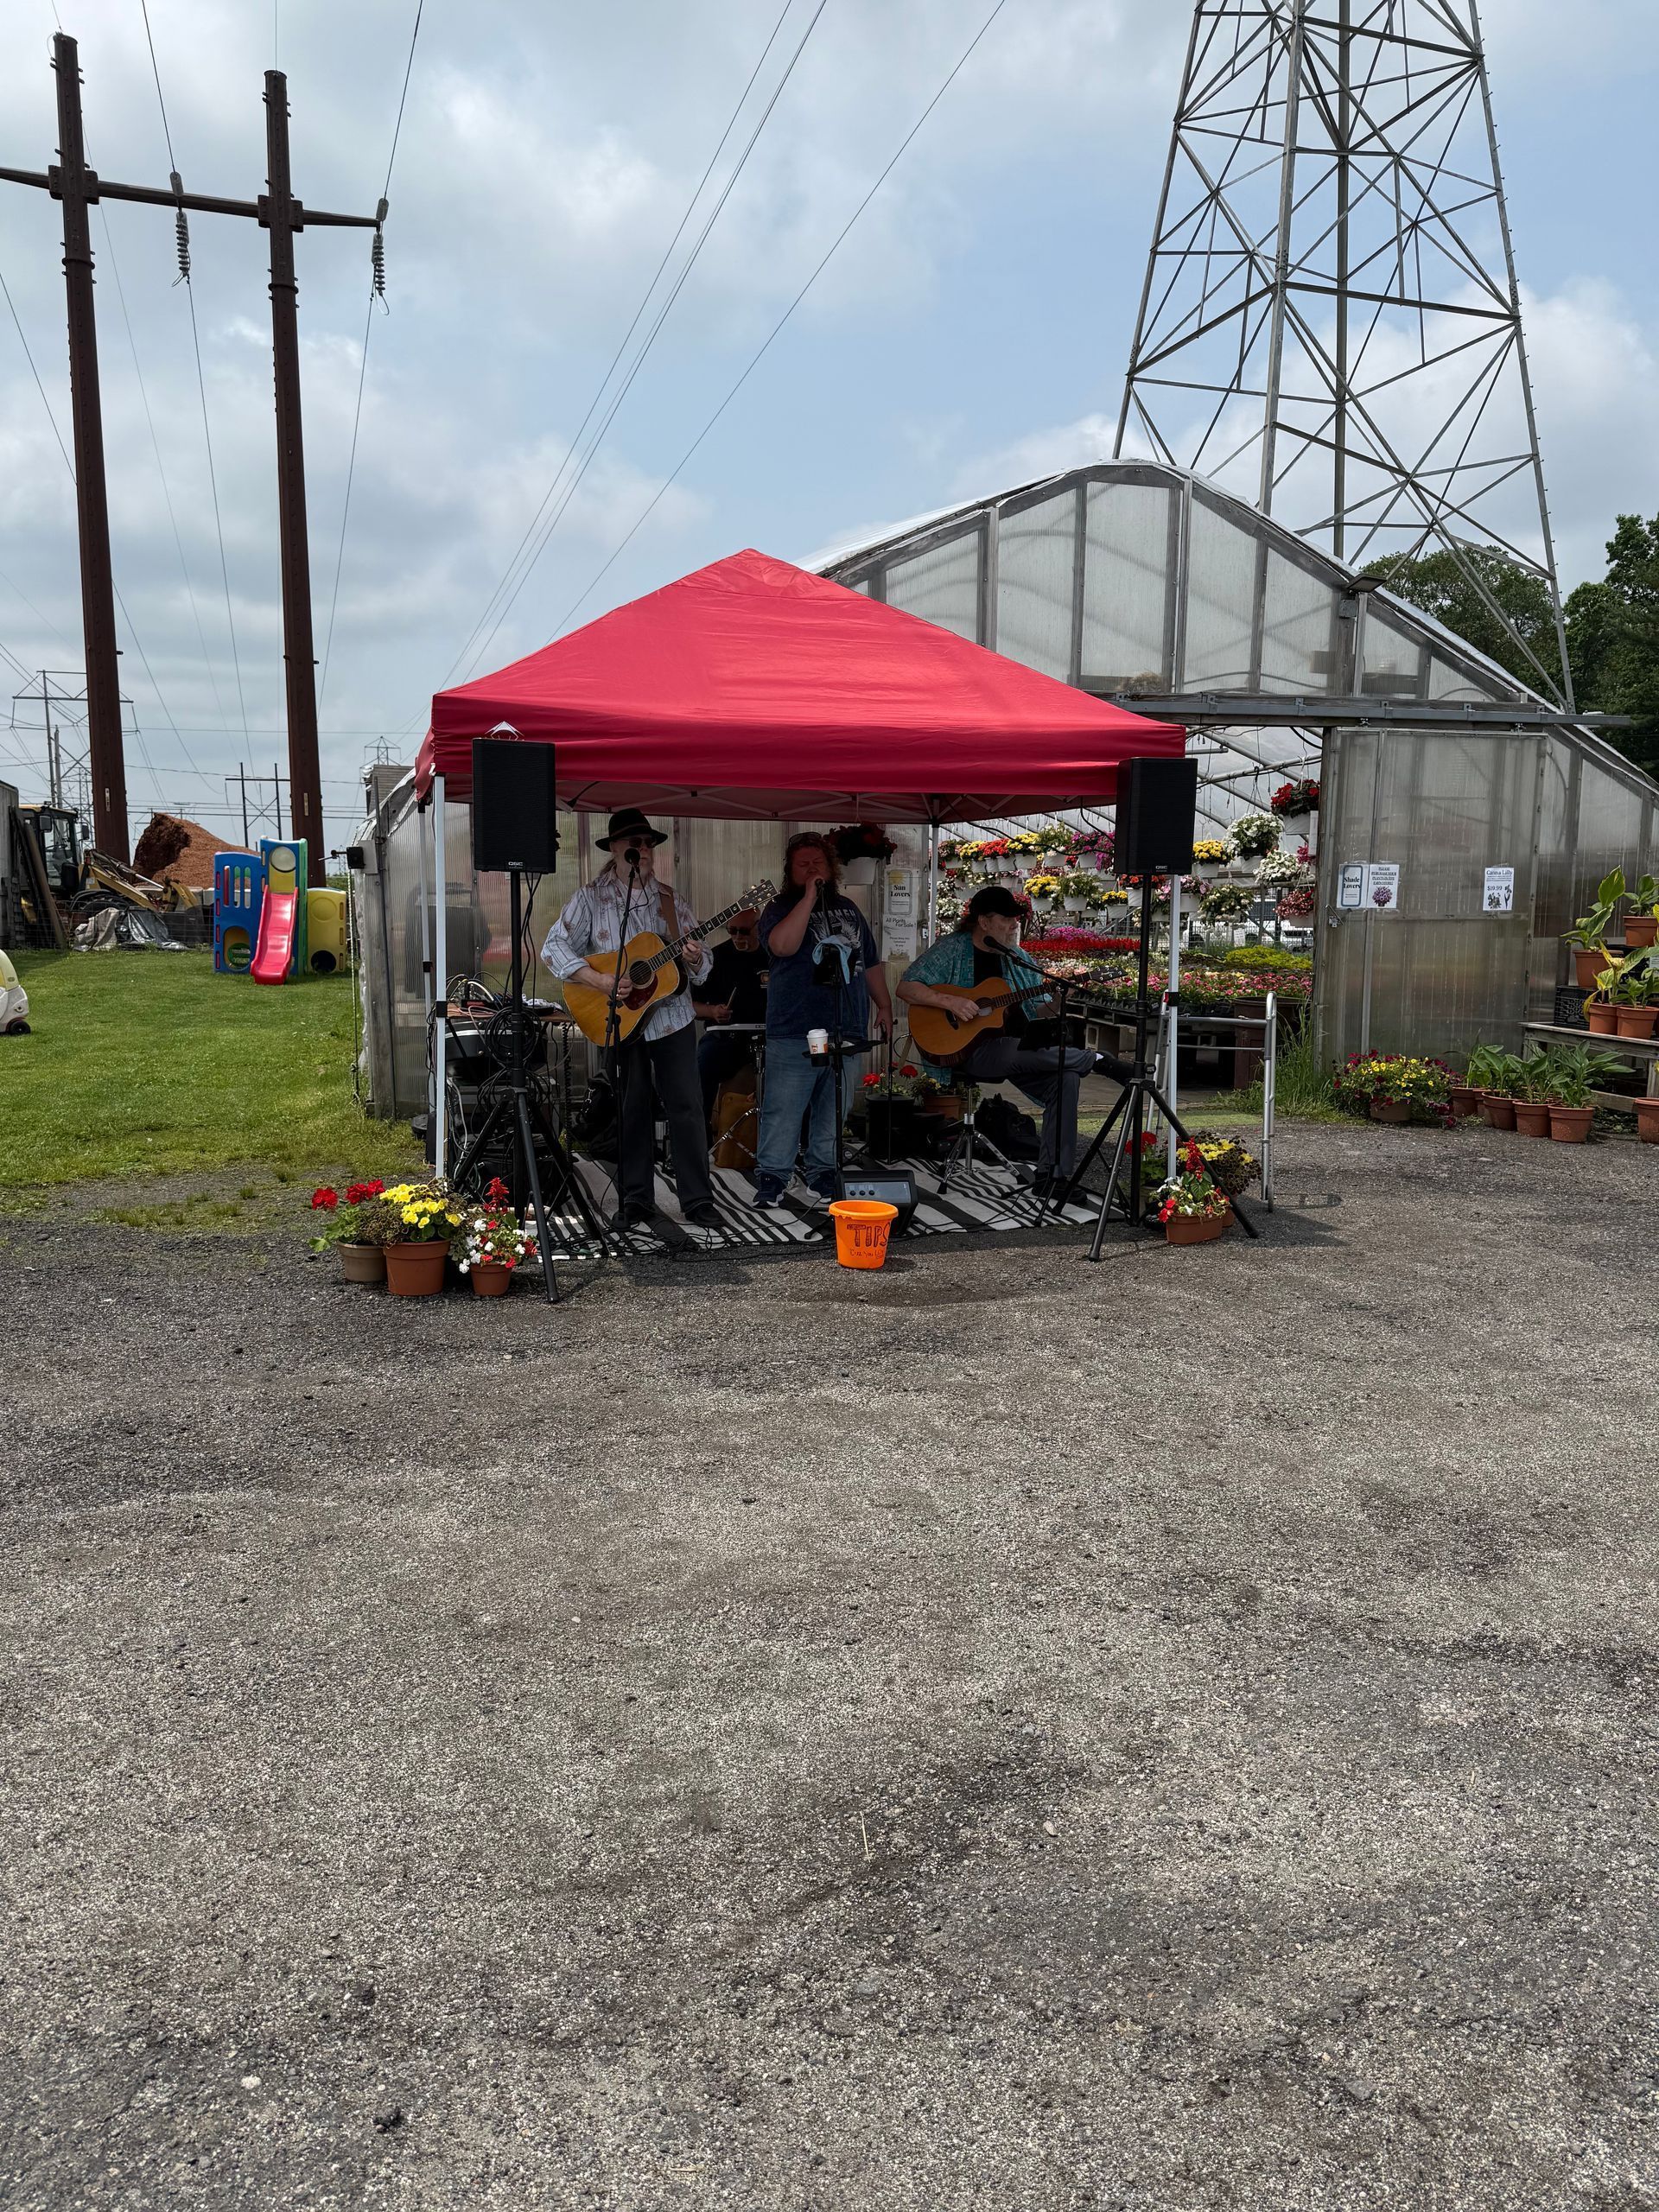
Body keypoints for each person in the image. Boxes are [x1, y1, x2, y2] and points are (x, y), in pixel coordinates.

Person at [541, 809, 723, 1232]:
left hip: (672, 1019)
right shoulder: (590, 897)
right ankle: (637, 1198)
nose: (642, 851)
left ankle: (697, 1199)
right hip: (618, 1019)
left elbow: (706, 964)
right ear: (615, 850)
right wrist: (601, 980)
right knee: (631, 1107)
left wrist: (695, 959)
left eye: (648, 844)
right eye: (633, 845)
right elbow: (553, 948)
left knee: (688, 1107)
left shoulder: (670, 900)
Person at [898, 883, 1109, 1197]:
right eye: (1007, 918)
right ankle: (1100, 1061)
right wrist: (951, 1002)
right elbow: (907, 987)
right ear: (984, 922)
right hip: (970, 1050)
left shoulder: (1016, 957)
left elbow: (1036, 1010)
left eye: (1016, 919)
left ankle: (1052, 1178)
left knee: (1065, 1078)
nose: (1014, 925)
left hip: (1019, 1050)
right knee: (1018, 1048)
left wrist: (1060, 999)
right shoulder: (952, 948)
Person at [753, 832, 893, 1207]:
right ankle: (772, 1178)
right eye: (803, 864)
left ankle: (823, 1172)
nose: (812, 868)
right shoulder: (778, 907)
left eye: (818, 862)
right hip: (794, 1026)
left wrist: (884, 1004)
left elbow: (870, 961)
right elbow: (783, 946)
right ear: (790, 871)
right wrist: (809, 898)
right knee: (784, 1107)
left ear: (831, 867)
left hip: (845, 1024)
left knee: (835, 1106)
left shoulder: (848, 907)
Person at [692, 907, 768, 1135]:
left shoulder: (773, 954)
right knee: (702, 1065)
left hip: (770, 1035)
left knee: (798, 1071)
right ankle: (699, 1134)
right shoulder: (716, 958)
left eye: (744, 931)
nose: (737, 937)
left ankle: (795, 1141)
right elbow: (691, 1005)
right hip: (726, 1035)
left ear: (759, 927)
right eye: (732, 931)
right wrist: (713, 1011)